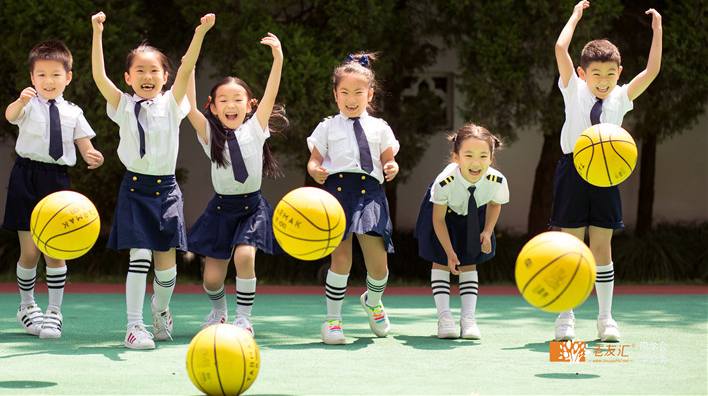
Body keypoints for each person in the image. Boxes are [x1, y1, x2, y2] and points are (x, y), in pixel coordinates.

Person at [91, 10, 214, 350]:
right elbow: (99, 77)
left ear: (164, 76)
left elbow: (188, 67)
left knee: (167, 268)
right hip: (134, 188)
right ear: (128, 77)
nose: (147, 75)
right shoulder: (122, 105)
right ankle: (134, 326)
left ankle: (160, 310)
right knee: (139, 258)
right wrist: (97, 32)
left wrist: (200, 33)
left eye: (154, 70)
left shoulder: (173, 104)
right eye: (139, 70)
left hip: (166, 191)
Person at [551, 0, 662, 343]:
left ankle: (605, 319)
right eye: (596, 74)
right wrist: (573, 17)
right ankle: (566, 317)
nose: (604, 80)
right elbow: (559, 47)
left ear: (619, 73)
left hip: (607, 175)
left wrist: (657, 32)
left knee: (602, 246)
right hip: (573, 170)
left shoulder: (622, 97)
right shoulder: (573, 88)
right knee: (571, 246)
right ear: (583, 73)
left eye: (611, 74)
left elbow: (652, 71)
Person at [185, 32, 287, 337]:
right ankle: (219, 311)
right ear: (214, 108)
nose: (231, 105)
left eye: (238, 99)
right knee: (212, 280)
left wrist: (278, 57)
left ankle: (244, 317)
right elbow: (189, 106)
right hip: (221, 209)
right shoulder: (209, 135)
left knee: (245, 256)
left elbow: (271, 93)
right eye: (223, 100)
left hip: (251, 207)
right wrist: (190, 64)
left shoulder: (256, 129)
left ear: (249, 105)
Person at [3, 40, 104, 340]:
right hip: (25, 176)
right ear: (32, 78)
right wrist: (20, 101)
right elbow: (9, 116)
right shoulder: (27, 105)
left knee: (56, 250)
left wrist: (91, 154)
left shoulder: (74, 111)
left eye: (56, 75)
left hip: (57, 183)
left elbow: (84, 142)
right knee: (30, 252)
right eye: (42, 75)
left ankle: (54, 313)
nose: (49, 81)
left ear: (68, 78)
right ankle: (26, 306)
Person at [306, 53, 400, 345]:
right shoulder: (326, 127)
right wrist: (315, 170)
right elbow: (314, 161)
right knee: (341, 261)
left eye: (358, 92)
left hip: (370, 196)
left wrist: (392, 166)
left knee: (379, 267)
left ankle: (373, 301)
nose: (351, 98)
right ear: (335, 94)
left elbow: (389, 158)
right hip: (336, 196)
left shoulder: (380, 127)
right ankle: (332, 320)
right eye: (344, 92)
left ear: (370, 94)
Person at [415, 124, 509, 340]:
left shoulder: (497, 180)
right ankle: (444, 317)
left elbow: (495, 205)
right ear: (456, 157)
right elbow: (438, 220)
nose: (476, 162)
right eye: (468, 155)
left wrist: (487, 231)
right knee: (441, 261)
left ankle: (468, 318)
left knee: (469, 261)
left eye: (483, 156)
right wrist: (448, 251)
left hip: (474, 213)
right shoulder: (444, 183)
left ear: (491, 157)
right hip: (443, 213)